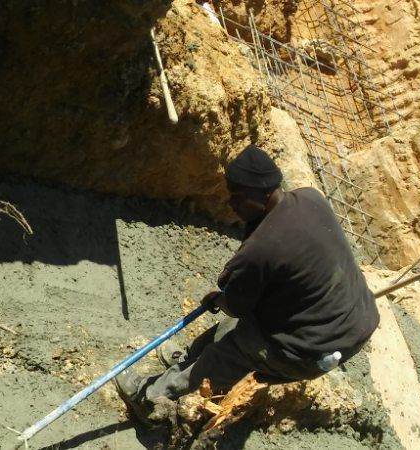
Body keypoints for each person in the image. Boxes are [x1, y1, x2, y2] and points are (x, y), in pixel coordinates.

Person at [113, 144, 380, 422]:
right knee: (242, 322)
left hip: (311, 349)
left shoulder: (262, 249)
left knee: (231, 351)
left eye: (238, 196)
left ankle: (152, 396)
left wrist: (218, 300)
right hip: (354, 321)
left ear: (264, 192)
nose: (231, 203)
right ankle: (186, 360)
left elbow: (236, 307)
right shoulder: (310, 198)